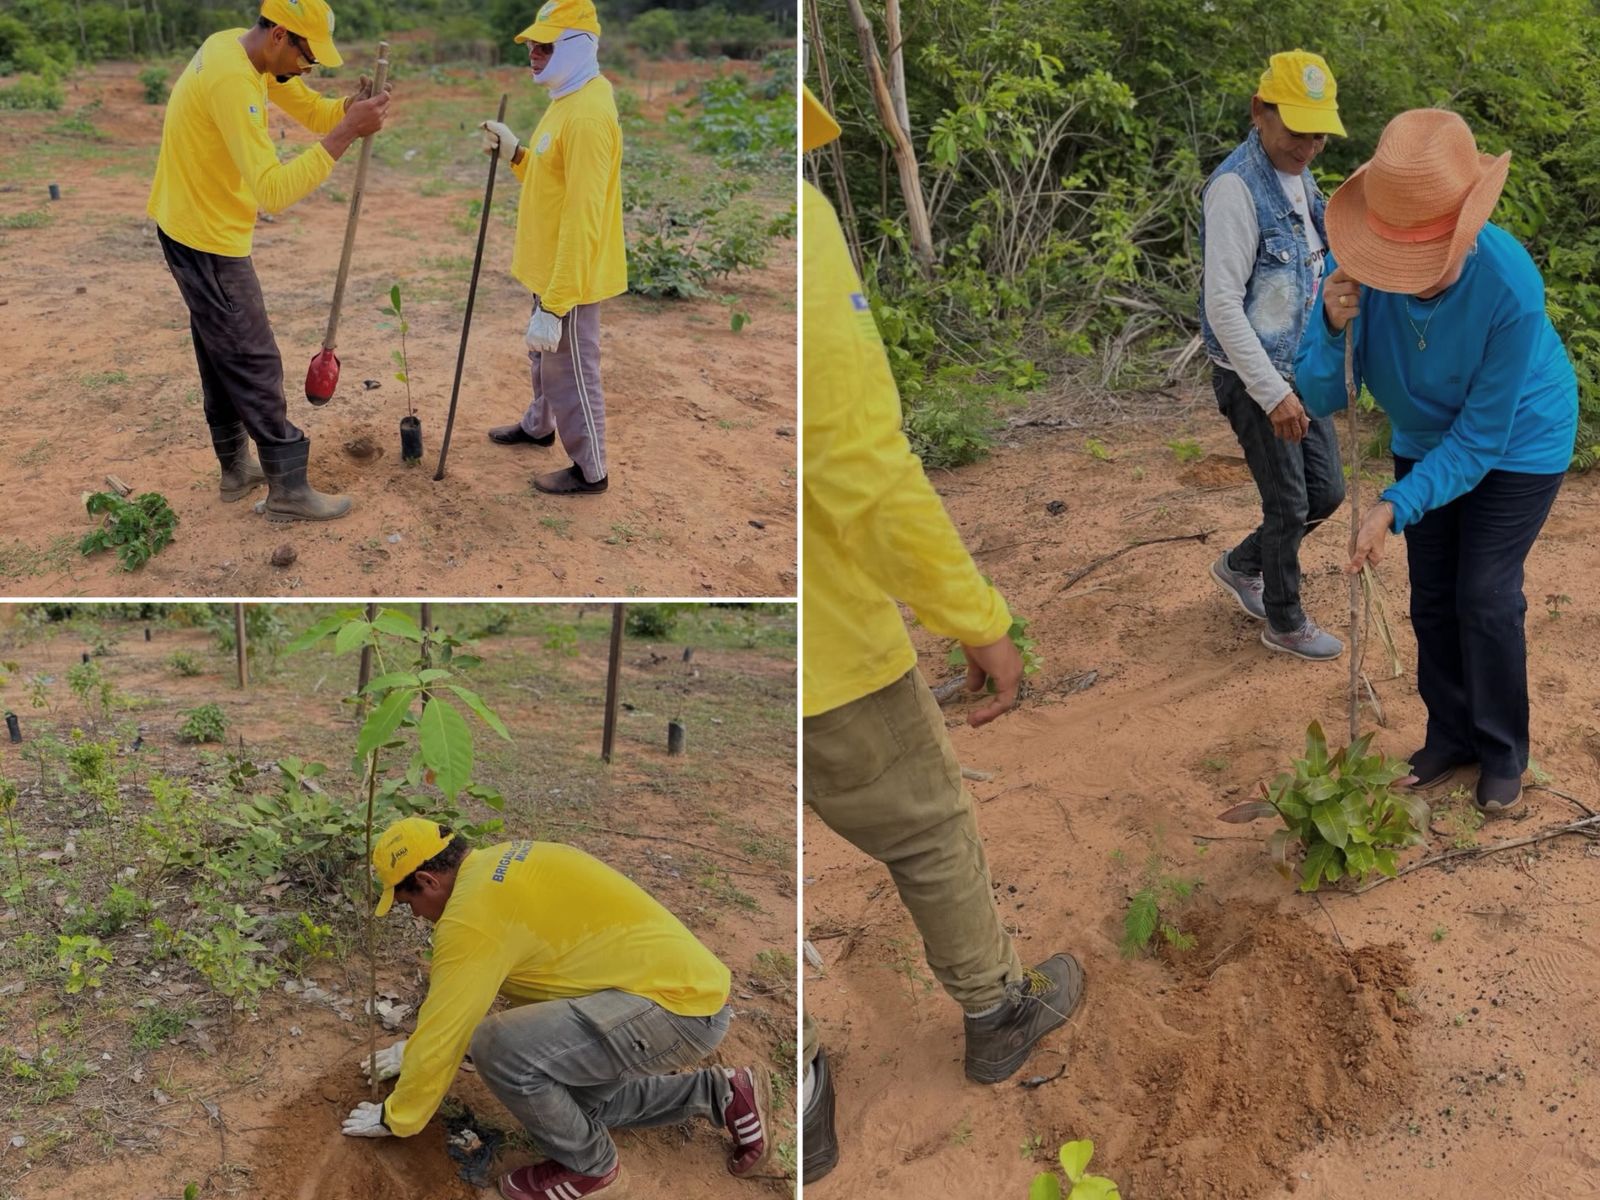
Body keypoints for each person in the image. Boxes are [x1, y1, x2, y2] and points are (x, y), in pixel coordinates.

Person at [799, 86, 1084, 1185]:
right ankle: (998, 1012)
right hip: (816, 637)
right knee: (923, 825)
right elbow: (860, 467)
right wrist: (977, 620)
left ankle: (807, 1098)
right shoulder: (801, 227)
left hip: (703, 641)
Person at [1296, 108, 1578, 815]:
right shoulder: (1353, 267)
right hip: (1423, 438)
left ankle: (1502, 748)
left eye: (1428, 255)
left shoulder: (1510, 286)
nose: (1408, 274)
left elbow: (1483, 439)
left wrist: (1394, 504)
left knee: (1483, 594)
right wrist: (1331, 327)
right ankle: (1449, 735)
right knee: (1431, 596)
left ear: (1468, 229)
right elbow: (1324, 393)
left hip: (1519, 440)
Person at [340, 818, 773, 1200]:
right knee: (568, 1108)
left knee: (498, 1046)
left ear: (427, 880)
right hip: (678, 991)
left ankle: (591, 1167)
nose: (416, 915)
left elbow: (447, 1026)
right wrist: (415, 1052)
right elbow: (464, 1002)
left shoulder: (471, 917)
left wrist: (398, 1116)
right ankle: (722, 1093)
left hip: (676, 1012)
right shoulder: (506, 861)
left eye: (408, 902)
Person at [147, 0, 391, 522]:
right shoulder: (234, 82)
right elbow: (273, 191)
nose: (309, 70)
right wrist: (346, 134)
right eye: (307, 57)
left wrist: (347, 110)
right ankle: (288, 489)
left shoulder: (243, 48)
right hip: (205, 239)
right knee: (253, 357)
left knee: (221, 353)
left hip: (190, 222)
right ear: (280, 35)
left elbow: (309, 107)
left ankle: (236, 469)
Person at [1199, 50, 1348, 660]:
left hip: (1302, 366)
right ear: (1260, 112)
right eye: (1296, 130)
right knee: (1288, 499)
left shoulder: (1300, 175)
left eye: (1319, 134)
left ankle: (1242, 564)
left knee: (1327, 490)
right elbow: (1223, 307)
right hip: (1255, 375)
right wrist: (1273, 393)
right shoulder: (1236, 189)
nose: (1309, 145)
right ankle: (1285, 619)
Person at [477, 0, 625, 497]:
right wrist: (515, 152)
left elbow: (584, 217)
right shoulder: (567, 99)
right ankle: (539, 427)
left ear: (577, 46)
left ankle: (591, 469)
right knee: (542, 359)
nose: (534, 55)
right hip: (550, 267)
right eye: (532, 46)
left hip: (572, 276)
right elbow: (549, 177)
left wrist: (558, 303)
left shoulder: (587, 116)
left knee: (571, 371)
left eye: (545, 46)